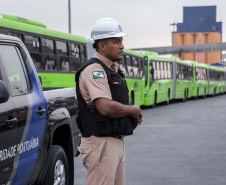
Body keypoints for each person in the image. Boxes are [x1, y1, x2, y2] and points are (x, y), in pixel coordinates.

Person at [75, 18, 143, 185]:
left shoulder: (113, 70)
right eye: (116, 41)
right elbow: (105, 107)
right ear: (102, 46)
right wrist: (132, 110)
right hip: (101, 143)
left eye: (121, 41)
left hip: (115, 142)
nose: (122, 46)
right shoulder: (95, 70)